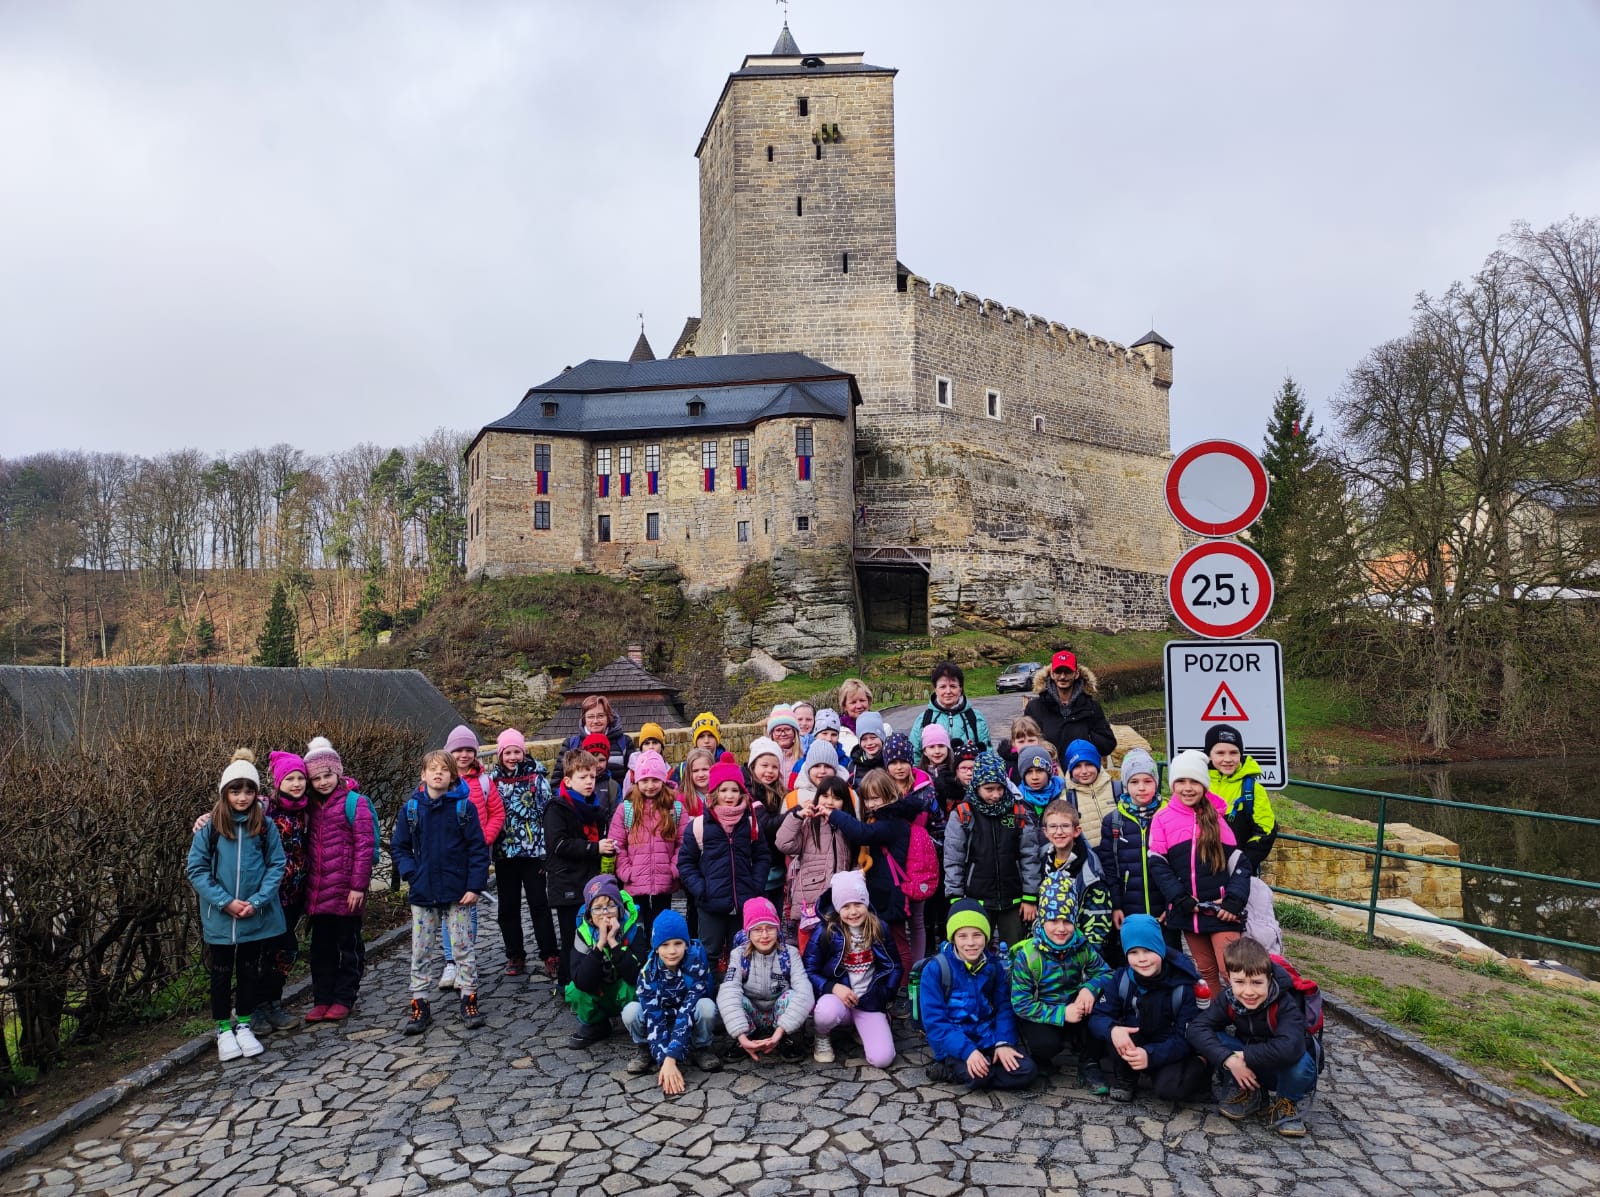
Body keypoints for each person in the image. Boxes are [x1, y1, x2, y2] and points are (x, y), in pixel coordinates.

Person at [187, 749, 286, 1061]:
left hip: (253, 915)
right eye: (235, 791)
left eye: (248, 791)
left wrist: (257, 901)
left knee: (248, 971)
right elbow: (197, 869)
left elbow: (276, 865)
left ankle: (243, 1023)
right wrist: (225, 901)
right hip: (220, 917)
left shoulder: (265, 826)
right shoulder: (210, 828)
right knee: (220, 973)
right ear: (224, 793)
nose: (242, 798)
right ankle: (222, 1028)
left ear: (256, 793)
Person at [395, 751, 490, 1034]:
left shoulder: (463, 808)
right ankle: (419, 1001)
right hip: (423, 892)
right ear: (423, 775)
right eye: (433, 769)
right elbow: (400, 847)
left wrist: (474, 886)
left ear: (453, 776)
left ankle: (469, 997)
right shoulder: (411, 809)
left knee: (463, 947)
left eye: (444, 770)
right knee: (421, 949)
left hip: (458, 891)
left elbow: (477, 849)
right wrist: (411, 874)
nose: (438, 773)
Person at [1187, 936, 1319, 1137]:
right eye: (1240, 982)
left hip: (1286, 1067)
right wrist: (1229, 1059)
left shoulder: (1286, 1002)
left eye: (1257, 983)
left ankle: (1287, 1102)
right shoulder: (1228, 998)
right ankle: (1252, 1092)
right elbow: (1197, 1028)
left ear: (1269, 978)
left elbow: (1290, 1047)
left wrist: (1243, 1056)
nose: (1248, 991)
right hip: (1249, 1059)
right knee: (1213, 1037)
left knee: (1300, 1061)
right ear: (1229, 979)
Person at [1149, 749, 1251, 994]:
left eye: (1194, 782)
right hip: (1189, 910)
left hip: (1220, 911)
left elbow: (1239, 863)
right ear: (1173, 784)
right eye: (1181, 781)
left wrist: (1234, 900)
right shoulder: (1162, 818)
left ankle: (1249, 1013)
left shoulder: (1216, 819)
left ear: (1204, 785)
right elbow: (1158, 864)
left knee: (1231, 969)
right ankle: (1216, 1013)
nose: (1187, 788)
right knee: (1205, 970)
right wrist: (1179, 898)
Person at [824, 768, 919, 1017]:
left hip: (893, 892)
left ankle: (903, 991)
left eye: (876, 798)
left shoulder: (893, 821)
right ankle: (885, 986)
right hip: (880, 890)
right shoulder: (878, 818)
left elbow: (862, 834)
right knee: (883, 941)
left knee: (898, 942)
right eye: (866, 799)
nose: (870, 804)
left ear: (890, 795)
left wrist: (834, 814)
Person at [1087, 912, 1207, 1103]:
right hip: (1137, 1038)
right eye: (1133, 952)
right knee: (1117, 1033)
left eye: (1148, 951)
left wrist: (1150, 1055)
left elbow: (1187, 1037)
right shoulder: (1121, 978)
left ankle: (1201, 1065)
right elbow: (1097, 1017)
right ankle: (1126, 1077)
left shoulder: (1183, 985)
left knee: (1170, 1089)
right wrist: (1112, 1031)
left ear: (1160, 948)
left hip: (1169, 1046)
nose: (1142, 959)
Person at [920, 900, 1038, 1089]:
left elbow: (1004, 1006)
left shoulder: (993, 966)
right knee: (979, 1076)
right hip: (954, 1041)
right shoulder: (936, 969)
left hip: (986, 1037)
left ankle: (984, 1067)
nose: (971, 943)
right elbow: (935, 1022)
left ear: (986, 936)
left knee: (1027, 1070)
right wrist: (968, 1052)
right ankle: (949, 1069)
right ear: (953, 938)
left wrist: (1003, 1042)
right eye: (962, 936)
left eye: (977, 935)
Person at [1008, 879, 1111, 1090]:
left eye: (1067, 921)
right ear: (1042, 920)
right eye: (1054, 921)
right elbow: (1021, 1004)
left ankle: (1089, 1062)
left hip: (1076, 1006)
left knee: (1104, 1008)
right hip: (1043, 1011)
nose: (1061, 928)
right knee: (1044, 1043)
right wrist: (1062, 1014)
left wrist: (1089, 989)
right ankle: (1040, 1058)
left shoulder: (1082, 946)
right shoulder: (1028, 956)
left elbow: (1107, 973)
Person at [302, 736, 375, 1023]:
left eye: (328, 775)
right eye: (316, 778)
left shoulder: (355, 803)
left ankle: (344, 997)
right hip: (318, 892)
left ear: (338, 772)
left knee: (348, 947)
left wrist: (358, 886)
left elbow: (364, 846)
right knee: (321, 949)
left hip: (346, 891)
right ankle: (322, 998)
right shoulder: (308, 806)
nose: (323, 782)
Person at [677, 754, 771, 968]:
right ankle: (708, 988)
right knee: (708, 955)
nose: (729, 796)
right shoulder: (699, 826)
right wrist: (701, 889)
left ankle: (739, 989)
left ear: (742, 793)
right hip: (711, 903)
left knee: (742, 954)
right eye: (723, 790)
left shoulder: (750, 823)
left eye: (734, 790)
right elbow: (686, 863)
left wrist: (755, 886)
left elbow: (762, 857)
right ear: (714, 793)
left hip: (744, 902)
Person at [943, 751, 1041, 949]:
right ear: (976, 786)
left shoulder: (1018, 812)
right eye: (989, 789)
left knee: (1016, 950)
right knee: (976, 950)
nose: (996, 795)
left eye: (1000, 788)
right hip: (975, 899)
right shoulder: (963, 814)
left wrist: (1030, 896)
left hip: (1014, 899)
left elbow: (1030, 855)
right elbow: (953, 858)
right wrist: (955, 897)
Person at [803, 871, 902, 1067]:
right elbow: (808, 969)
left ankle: (866, 1025)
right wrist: (832, 987)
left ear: (866, 902)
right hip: (837, 999)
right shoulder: (826, 932)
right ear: (837, 907)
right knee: (826, 1012)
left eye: (858, 904)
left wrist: (885, 994)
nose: (853, 912)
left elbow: (894, 965)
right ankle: (822, 1034)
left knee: (882, 1058)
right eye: (846, 906)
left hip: (868, 1000)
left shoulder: (879, 928)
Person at [544, 747, 617, 1002]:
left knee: (591, 932)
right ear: (568, 780)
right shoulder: (557, 808)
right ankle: (566, 983)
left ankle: (590, 980)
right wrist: (594, 848)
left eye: (592, 777)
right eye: (583, 777)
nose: (589, 782)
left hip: (590, 882)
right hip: (567, 882)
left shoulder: (594, 808)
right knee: (570, 936)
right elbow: (559, 844)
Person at [1096, 748, 1182, 962]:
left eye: (1147, 781)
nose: (1141, 787)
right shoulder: (1113, 821)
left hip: (1164, 909)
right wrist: (1116, 906)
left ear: (1156, 783)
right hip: (1129, 909)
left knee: (1169, 960)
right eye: (1134, 782)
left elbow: (1180, 865)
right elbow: (1109, 868)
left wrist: (1172, 904)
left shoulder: (1170, 815)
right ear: (1126, 784)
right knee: (1134, 960)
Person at [622, 909, 722, 1088]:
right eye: (665, 945)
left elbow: (687, 1011)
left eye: (678, 943)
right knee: (631, 1011)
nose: (672, 951)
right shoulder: (647, 974)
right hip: (662, 1019)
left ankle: (701, 1047)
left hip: (688, 1019)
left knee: (706, 1006)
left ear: (686, 944)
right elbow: (654, 1017)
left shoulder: (697, 965)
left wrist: (671, 1057)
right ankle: (645, 1048)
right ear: (656, 947)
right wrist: (664, 1061)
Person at [489, 728, 560, 980]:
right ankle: (515, 954)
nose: (512, 757)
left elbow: (547, 812)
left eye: (516, 752)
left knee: (539, 904)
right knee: (507, 907)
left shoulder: (536, 778)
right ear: (500, 755)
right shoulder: (492, 781)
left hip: (532, 852)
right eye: (507, 752)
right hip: (505, 853)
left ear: (524, 752)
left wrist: (547, 851)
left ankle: (549, 954)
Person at [438, 725, 504, 991]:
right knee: (447, 908)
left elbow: (497, 813)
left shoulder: (485, 782)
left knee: (469, 906)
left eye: (469, 750)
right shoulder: (439, 779)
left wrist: (482, 839)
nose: (464, 755)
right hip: (446, 856)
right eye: (458, 750)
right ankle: (450, 962)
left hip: (474, 856)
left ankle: (465, 957)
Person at [716, 897, 814, 1063]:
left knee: (792, 995)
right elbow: (728, 992)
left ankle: (785, 1038)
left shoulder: (790, 954)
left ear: (777, 929)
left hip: (779, 1015)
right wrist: (741, 1036)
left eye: (770, 928)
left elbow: (805, 992)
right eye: (757, 930)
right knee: (733, 996)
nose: (764, 935)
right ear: (748, 932)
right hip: (752, 1013)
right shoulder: (739, 955)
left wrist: (779, 1032)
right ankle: (747, 1036)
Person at [254, 750, 311, 1033]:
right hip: (267, 895)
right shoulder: (264, 808)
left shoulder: (306, 810)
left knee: (283, 951)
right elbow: (229, 812)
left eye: (301, 778)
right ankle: (254, 1007)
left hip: (294, 895)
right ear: (278, 782)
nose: (296, 783)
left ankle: (273, 1003)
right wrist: (206, 818)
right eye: (290, 778)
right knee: (264, 950)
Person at [774, 775, 862, 953]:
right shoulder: (809, 823)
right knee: (809, 949)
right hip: (810, 899)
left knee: (837, 948)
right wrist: (796, 816)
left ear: (844, 802)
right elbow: (783, 843)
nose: (829, 802)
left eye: (836, 798)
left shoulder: (847, 826)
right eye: (825, 796)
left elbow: (853, 859)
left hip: (839, 899)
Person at [609, 749, 682, 942]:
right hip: (635, 880)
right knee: (637, 928)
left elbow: (683, 842)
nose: (650, 785)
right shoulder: (626, 809)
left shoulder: (674, 808)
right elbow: (618, 844)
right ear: (637, 781)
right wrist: (626, 871)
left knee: (661, 926)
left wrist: (673, 868)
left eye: (655, 780)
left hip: (664, 879)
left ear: (663, 780)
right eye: (645, 780)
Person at [567, 874, 648, 1048]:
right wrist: (599, 946)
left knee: (637, 987)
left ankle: (637, 1021)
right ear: (590, 914)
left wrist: (613, 943)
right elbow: (581, 980)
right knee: (574, 990)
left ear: (619, 909)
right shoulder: (583, 934)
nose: (605, 912)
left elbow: (638, 976)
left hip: (623, 991)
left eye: (611, 906)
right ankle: (596, 1024)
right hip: (599, 992)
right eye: (598, 908)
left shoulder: (634, 930)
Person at [1036, 799, 1112, 952]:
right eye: (1053, 827)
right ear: (1045, 832)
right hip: (1045, 947)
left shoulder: (1091, 871)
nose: (1059, 832)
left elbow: (1097, 926)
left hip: (1078, 949)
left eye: (1065, 826)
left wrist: (1085, 956)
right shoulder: (1040, 860)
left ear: (1077, 831)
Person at [1206, 724, 1278, 870]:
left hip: (1238, 871)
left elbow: (1266, 831)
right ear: (1209, 755)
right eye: (1220, 753)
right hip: (1199, 870)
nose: (1228, 759)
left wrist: (1242, 864)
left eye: (1234, 753)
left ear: (1241, 754)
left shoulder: (1253, 789)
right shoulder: (1196, 785)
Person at [1025, 650, 1117, 765]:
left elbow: (1108, 744)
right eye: (1058, 671)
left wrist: (1085, 740)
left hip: (1082, 772)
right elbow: (1025, 745)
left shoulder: (1091, 707)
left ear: (1076, 674)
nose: (1063, 676)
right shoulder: (1035, 708)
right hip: (1049, 773)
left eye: (1068, 672)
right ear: (1052, 674)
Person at [908, 661, 992, 758]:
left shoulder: (975, 718)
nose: (948, 691)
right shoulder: (924, 719)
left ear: (960, 689)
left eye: (953, 686)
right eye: (942, 687)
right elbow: (914, 755)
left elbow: (987, 755)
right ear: (935, 690)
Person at [559, 696, 631, 790]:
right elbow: (558, 780)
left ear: (608, 717)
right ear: (584, 719)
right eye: (590, 717)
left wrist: (622, 800)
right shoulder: (571, 744)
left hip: (615, 797)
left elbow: (632, 779)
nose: (595, 721)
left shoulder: (624, 742)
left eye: (600, 716)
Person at [1061, 739, 1119, 850]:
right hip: (1091, 856)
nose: (1084, 771)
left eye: (1089, 764)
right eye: (1077, 766)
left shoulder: (1118, 789)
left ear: (1097, 764)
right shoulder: (1066, 801)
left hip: (1122, 854)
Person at [1015, 743, 1065, 825]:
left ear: (1048, 773)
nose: (1034, 777)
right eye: (1029, 772)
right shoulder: (1018, 799)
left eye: (1039, 771)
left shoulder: (1063, 792)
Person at [765, 705, 804, 779]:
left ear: (794, 732)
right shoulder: (764, 757)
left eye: (787, 729)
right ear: (772, 734)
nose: (783, 734)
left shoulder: (803, 757)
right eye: (778, 730)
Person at [848, 712, 887, 780]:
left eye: (873, 738)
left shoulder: (890, 760)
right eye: (864, 739)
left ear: (882, 738)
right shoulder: (854, 765)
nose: (869, 743)